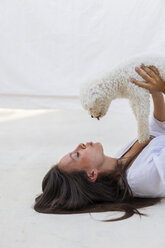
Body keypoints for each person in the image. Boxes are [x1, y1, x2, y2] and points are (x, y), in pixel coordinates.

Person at [34, 64, 165, 222]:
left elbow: (157, 132)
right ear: (91, 174)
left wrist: (155, 90)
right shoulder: (140, 179)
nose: (80, 145)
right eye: (77, 154)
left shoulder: (120, 158)